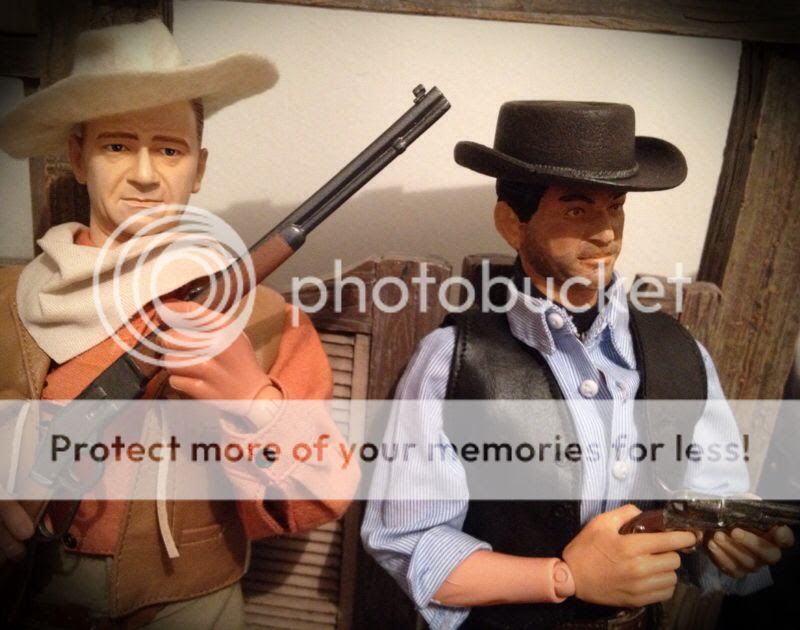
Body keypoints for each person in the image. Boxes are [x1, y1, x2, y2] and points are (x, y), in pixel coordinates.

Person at [361, 101, 794, 629]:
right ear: (513, 223)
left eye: (616, 207)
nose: (606, 233)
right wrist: (564, 577)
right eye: (576, 210)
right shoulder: (455, 361)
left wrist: (728, 540)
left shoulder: (679, 353)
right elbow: (409, 540)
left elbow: (710, 494)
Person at [0, 19, 357, 627]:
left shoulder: (262, 315)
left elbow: (325, 493)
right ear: (78, 157)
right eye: (117, 146)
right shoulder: (10, 302)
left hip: (192, 602)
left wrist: (257, 402)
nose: (145, 173)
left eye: (170, 149)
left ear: (199, 166)